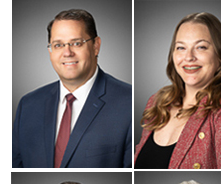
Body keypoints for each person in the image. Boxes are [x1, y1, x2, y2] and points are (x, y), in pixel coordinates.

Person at [13, 8, 132, 168]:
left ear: (96, 46)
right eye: (58, 45)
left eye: (76, 43)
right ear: (50, 51)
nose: (67, 53)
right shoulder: (28, 105)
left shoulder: (129, 103)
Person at [134, 12, 221, 169]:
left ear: (220, 56)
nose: (189, 57)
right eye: (181, 47)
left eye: (201, 47)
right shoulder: (157, 102)